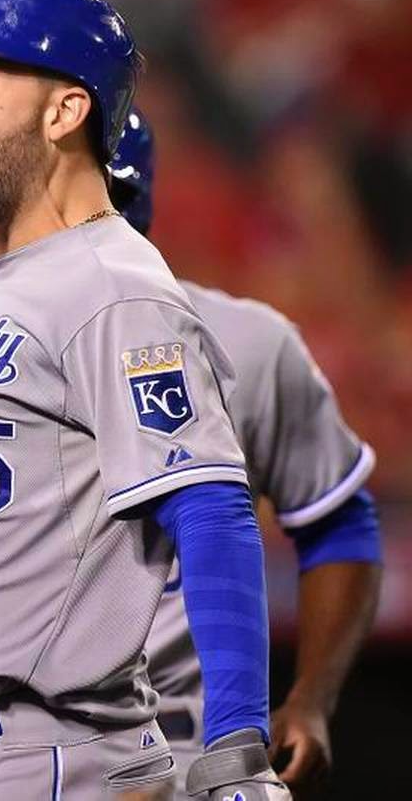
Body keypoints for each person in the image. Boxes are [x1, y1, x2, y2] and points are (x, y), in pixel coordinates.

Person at [0, 0, 290, 800]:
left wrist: (236, 748)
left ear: (65, 111)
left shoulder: (115, 284)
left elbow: (209, 506)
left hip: (55, 755)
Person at [109, 109, 383, 799]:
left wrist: (312, 697)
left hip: (194, 749)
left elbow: (338, 522)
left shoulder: (246, 341)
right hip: (7, 758)